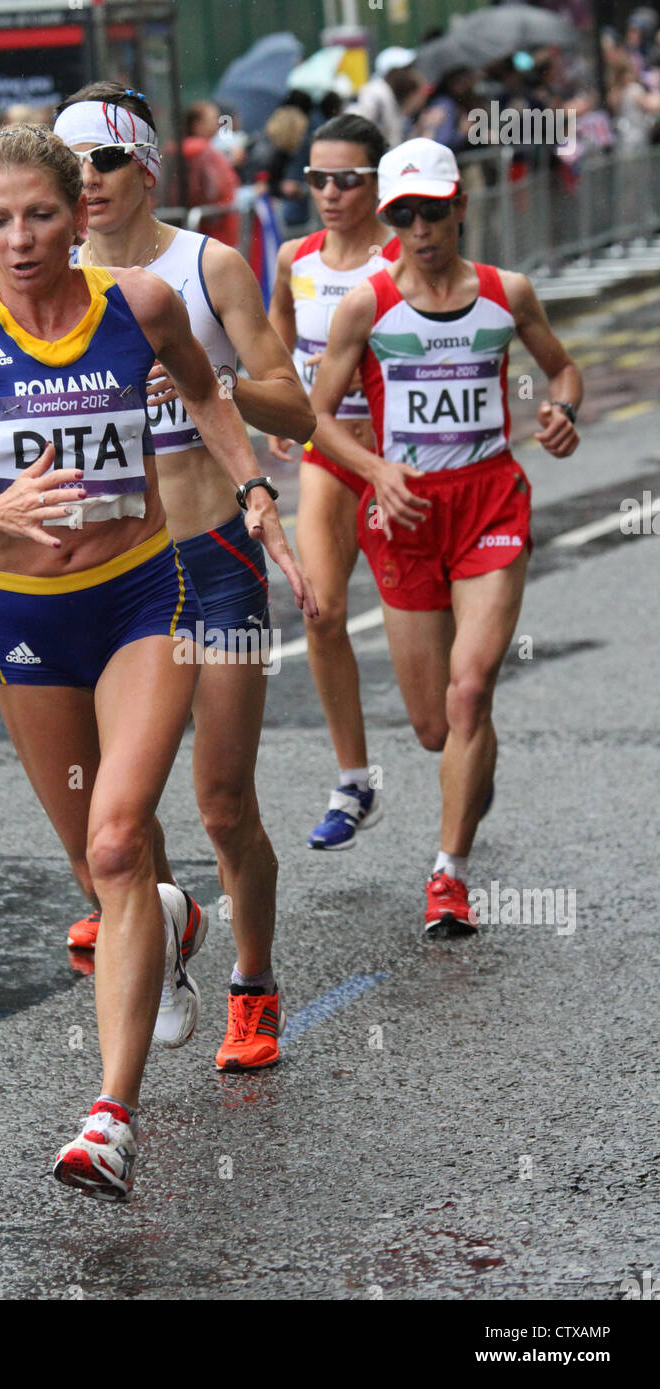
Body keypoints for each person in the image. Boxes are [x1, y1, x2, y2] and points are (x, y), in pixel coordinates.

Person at [0, 124, 312, 1200]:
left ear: (79, 215)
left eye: (42, 215)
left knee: (118, 842)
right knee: (95, 860)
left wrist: (249, 487)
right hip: (25, 620)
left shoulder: (141, 307)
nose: (21, 240)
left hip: (137, 600)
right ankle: (162, 916)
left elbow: (207, 392)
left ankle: (108, 1119)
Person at [53, 83, 317, 1071]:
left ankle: (253, 981)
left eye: (105, 163)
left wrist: (211, 386)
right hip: (114, 574)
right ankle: (166, 918)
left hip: (212, 560)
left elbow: (291, 410)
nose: (86, 184)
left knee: (220, 802)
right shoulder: (52, 281)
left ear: (147, 167)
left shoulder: (205, 268)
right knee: (113, 806)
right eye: (68, 166)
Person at [310, 137, 582, 936]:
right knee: (435, 726)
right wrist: (375, 469)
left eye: (434, 212)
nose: (421, 230)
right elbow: (316, 418)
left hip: (490, 504)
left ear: (461, 205)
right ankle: (471, 763)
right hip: (405, 517)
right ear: (390, 220)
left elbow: (562, 368)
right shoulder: (367, 304)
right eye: (404, 216)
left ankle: (448, 874)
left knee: (472, 691)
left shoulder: (507, 292)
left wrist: (563, 408)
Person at [266, 113, 398, 850]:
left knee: (434, 642)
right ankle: (354, 782)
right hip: (329, 453)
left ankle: (461, 741)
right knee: (319, 611)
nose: (329, 192)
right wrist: (287, 400)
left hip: (405, 456)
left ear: (377, 183)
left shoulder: (402, 258)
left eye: (347, 179)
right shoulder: (297, 257)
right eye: (318, 178)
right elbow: (278, 331)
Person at [181, 100, 241, 246]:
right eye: (213, 119)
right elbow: (212, 190)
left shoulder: (203, 148)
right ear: (197, 124)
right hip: (213, 230)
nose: (217, 124)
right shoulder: (198, 150)